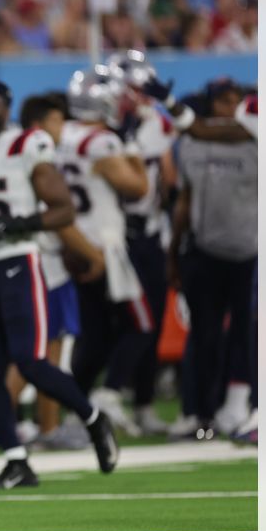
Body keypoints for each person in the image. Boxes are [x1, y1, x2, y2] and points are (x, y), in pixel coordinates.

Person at [0, 79, 118, 489]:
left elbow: (63, 209)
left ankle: (92, 417)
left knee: (31, 362)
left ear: (7, 109)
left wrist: (23, 223)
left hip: (19, 264)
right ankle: (16, 459)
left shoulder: (25, 146)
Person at [56, 65, 151, 434]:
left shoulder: (64, 134)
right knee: (140, 326)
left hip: (75, 243)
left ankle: (76, 409)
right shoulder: (104, 142)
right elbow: (138, 188)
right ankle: (108, 396)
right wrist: (131, 146)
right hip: (105, 246)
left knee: (95, 335)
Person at [13, 93, 105, 449]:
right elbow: (59, 219)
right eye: (56, 121)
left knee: (37, 353)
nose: (62, 129)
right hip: (44, 265)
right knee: (41, 354)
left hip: (40, 263)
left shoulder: (20, 153)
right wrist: (92, 256)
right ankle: (27, 426)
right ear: (39, 125)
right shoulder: (35, 156)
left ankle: (36, 425)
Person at [168, 81, 257, 439]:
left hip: (252, 251)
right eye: (223, 101)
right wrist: (173, 253)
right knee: (203, 336)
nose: (230, 108)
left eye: (236, 102)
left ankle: (242, 407)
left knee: (247, 333)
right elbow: (184, 201)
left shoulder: (259, 139)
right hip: (204, 250)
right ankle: (197, 412)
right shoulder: (190, 144)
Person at [108, 50, 179, 435]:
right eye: (136, 89)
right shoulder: (104, 128)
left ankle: (143, 402)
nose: (141, 96)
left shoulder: (156, 124)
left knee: (146, 323)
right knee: (117, 325)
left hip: (148, 231)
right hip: (116, 234)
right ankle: (108, 396)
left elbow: (168, 181)